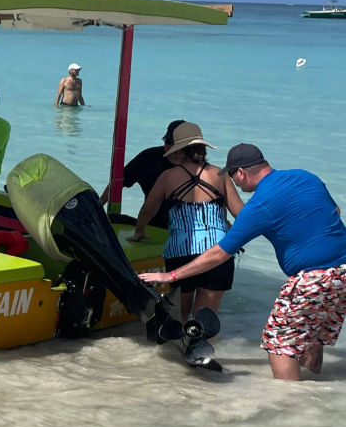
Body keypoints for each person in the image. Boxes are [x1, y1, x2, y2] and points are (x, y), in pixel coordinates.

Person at [140, 144, 346, 381]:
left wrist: (171, 275)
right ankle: (315, 389)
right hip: (343, 271)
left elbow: (220, 253)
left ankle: (291, 405)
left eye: (232, 176)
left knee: (279, 343)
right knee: (310, 335)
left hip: (314, 277)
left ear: (241, 173)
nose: (235, 183)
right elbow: (336, 211)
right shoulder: (305, 177)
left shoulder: (260, 205)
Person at [127, 122, 243, 321]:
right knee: (205, 317)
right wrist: (231, 236)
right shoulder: (220, 175)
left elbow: (147, 210)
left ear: (180, 150)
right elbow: (241, 214)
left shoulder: (168, 177)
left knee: (180, 314)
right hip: (218, 253)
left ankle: (177, 345)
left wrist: (139, 232)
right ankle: (203, 346)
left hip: (181, 253)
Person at [99, 119, 186, 228]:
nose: (170, 148)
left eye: (177, 145)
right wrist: (98, 206)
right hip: (150, 225)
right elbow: (118, 181)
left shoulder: (196, 168)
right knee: (110, 219)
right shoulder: (149, 158)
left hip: (182, 229)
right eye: (167, 142)